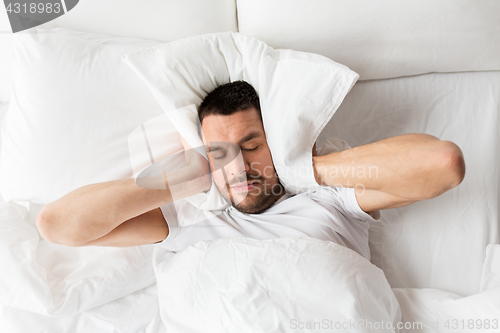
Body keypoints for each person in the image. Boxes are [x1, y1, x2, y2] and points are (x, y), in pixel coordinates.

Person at [36, 81, 465, 260]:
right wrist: (177, 179)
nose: (238, 166)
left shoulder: (330, 198)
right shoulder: (188, 214)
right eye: (220, 152)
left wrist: (304, 165)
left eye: (252, 145)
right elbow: (56, 225)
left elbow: (442, 164)